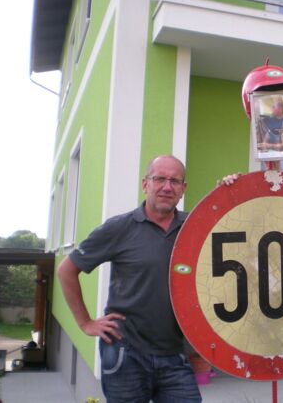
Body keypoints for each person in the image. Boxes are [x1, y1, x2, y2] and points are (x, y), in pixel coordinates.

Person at [57, 155, 201, 403]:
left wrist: (230, 189)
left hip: (174, 353)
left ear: (183, 189)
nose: (167, 187)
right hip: (126, 353)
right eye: (159, 179)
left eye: (175, 181)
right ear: (145, 184)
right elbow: (66, 270)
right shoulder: (119, 228)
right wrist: (85, 323)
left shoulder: (194, 227)